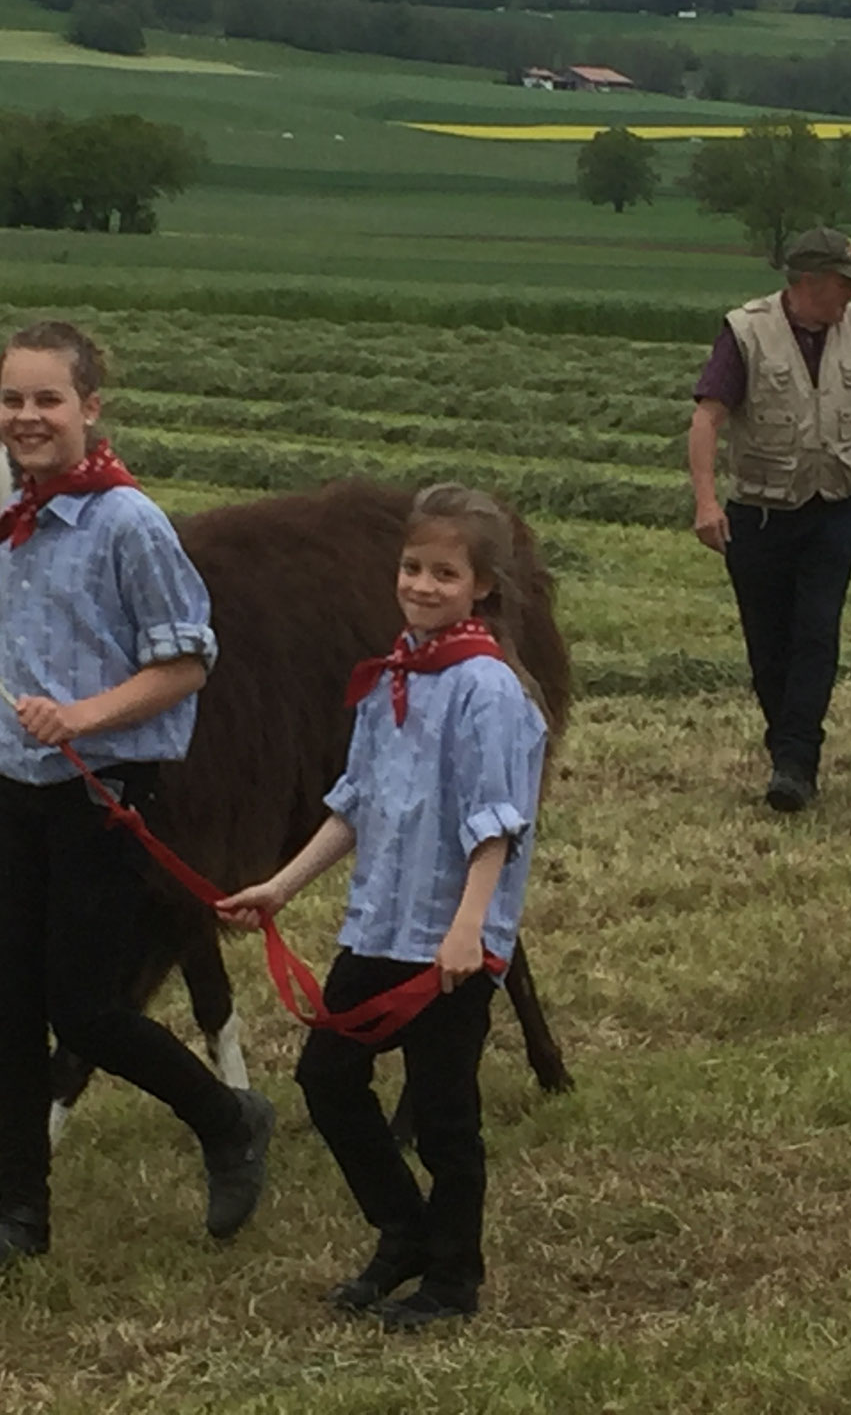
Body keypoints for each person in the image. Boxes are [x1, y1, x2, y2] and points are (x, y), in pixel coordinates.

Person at [0, 320, 274, 1288]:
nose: (27, 416)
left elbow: (188, 659)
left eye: (46, 400)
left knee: (88, 1010)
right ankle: (19, 1214)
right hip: (14, 790)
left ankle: (228, 1119)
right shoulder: (22, 517)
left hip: (101, 793)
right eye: (13, 401)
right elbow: (7, 645)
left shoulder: (125, 523)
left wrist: (87, 716)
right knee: (7, 1009)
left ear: (88, 409)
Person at [217, 484, 548, 1331]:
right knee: (328, 1081)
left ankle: (455, 1280)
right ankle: (403, 1231)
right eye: (412, 568)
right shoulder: (393, 672)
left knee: (444, 1116)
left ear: (482, 586)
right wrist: (282, 885)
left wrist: (471, 930)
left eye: (445, 573)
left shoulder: (489, 691)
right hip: (380, 925)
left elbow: (496, 825)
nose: (423, 585)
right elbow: (356, 802)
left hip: (451, 940)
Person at [687, 225, 851, 812]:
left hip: (837, 510)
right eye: (843, 283)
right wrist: (706, 501)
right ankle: (787, 752)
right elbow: (707, 420)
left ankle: (797, 762)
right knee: (769, 646)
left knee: (816, 633)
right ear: (809, 282)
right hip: (763, 515)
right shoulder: (746, 332)